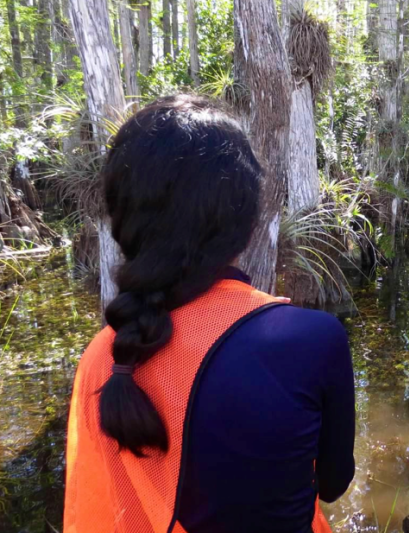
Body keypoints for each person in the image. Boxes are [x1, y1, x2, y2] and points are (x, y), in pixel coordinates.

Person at [63, 95, 355, 533]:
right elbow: (333, 485)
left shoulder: (106, 357)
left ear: (122, 219)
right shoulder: (312, 338)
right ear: (245, 219)